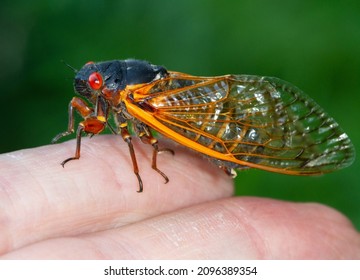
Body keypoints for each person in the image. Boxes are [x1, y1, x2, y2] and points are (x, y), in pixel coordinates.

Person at [1, 135, 359, 259]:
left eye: (95, 82)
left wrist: (143, 172)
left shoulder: (128, 97)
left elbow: (133, 137)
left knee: (132, 140)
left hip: (172, 109)